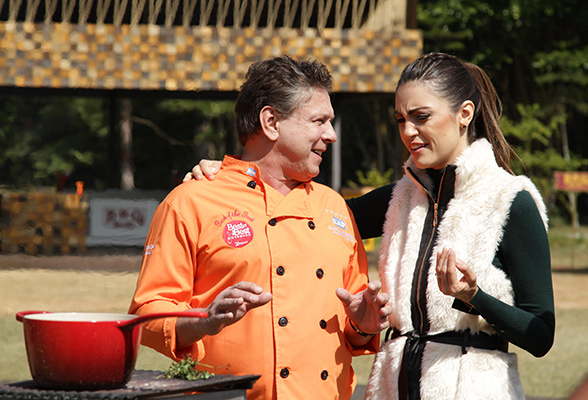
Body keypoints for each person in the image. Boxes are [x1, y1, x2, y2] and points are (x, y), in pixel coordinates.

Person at [187, 52, 555, 400]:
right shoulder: (400, 197)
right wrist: (231, 178)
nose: (408, 131)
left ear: (465, 114)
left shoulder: (511, 201)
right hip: (392, 386)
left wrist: (474, 297)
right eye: (400, 119)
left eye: (421, 117)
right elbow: (305, 218)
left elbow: (541, 335)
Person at [128, 55, 391, 400]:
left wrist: (363, 325)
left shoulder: (335, 208)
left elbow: (355, 328)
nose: (331, 135)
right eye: (319, 121)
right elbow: (147, 317)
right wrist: (204, 320)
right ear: (271, 122)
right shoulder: (190, 201)